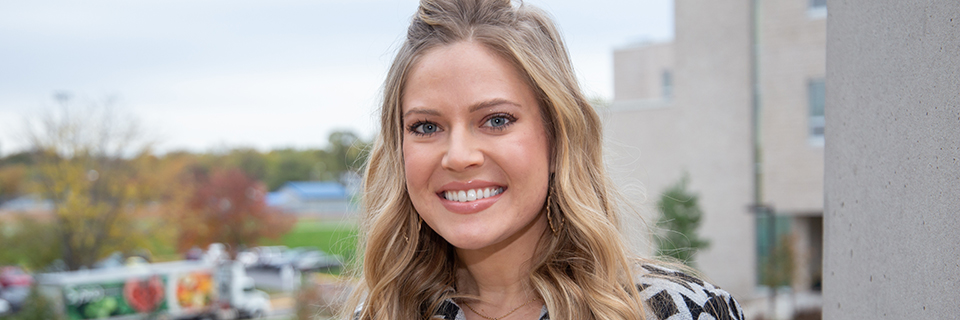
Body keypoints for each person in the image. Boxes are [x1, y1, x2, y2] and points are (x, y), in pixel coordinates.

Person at [347, 0, 745, 319]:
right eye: (426, 127)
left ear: (557, 138)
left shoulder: (683, 311)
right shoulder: (379, 314)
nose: (459, 156)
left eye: (496, 120)